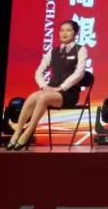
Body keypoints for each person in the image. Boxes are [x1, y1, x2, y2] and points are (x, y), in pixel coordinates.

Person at [6, 20, 87, 150]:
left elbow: (80, 73)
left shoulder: (80, 50)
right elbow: (39, 71)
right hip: (51, 90)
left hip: (68, 94)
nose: (64, 33)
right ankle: (17, 131)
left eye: (68, 30)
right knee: (33, 96)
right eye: (62, 30)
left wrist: (62, 87)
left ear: (75, 33)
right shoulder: (53, 51)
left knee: (43, 98)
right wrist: (43, 86)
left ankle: (28, 132)